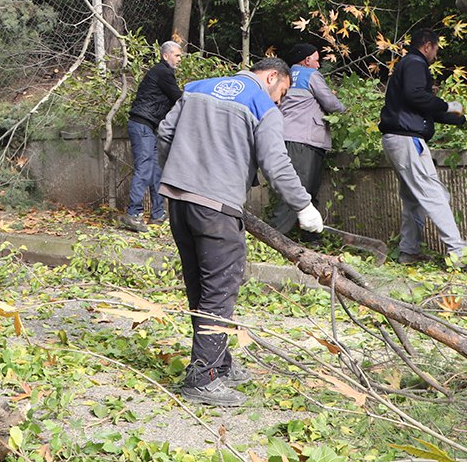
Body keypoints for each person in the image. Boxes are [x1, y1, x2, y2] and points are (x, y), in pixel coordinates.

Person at [156, 57, 324, 408]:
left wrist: (181, 173)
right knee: (219, 290)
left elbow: (165, 133)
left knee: (201, 286)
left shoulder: (196, 88)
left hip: (179, 202)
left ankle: (218, 363)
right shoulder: (262, 105)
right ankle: (202, 379)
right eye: (283, 92)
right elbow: (276, 163)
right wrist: (303, 207)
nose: (280, 100)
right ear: (272, 76)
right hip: (216, 209)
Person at [378, 28, 467, 267]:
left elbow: (420, 107)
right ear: (428, 45)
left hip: (397, 138)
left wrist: (455, 117)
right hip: (407, 140)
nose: (436, 54)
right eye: (436, 49)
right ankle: (458, 252)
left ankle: (409, 251)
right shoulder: (414, 63)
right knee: (434, 194)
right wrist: (448, 104)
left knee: (413, 200)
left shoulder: (407, 64)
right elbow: (416, 96)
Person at [269, 43, 346, 236]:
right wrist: (346, 109)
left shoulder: (284, 76)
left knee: (306, 190)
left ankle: (310, 237)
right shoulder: (310, 75)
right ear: (307, 60)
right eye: (317, 60)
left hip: (286, 137)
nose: (319, 65)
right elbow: (331, 103)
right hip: (305, 140)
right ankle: (271, 238)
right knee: (299, 189)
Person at [120, 40, 183, 233]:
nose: (180, 59)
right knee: (145, 167)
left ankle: (157, 214)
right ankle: (133, 214)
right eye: (177, 55)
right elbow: (179, 98)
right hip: (142, 125)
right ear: (166, 56)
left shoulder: (162, 72)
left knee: (156, 169)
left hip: (149, 126)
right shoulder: (163, 72)